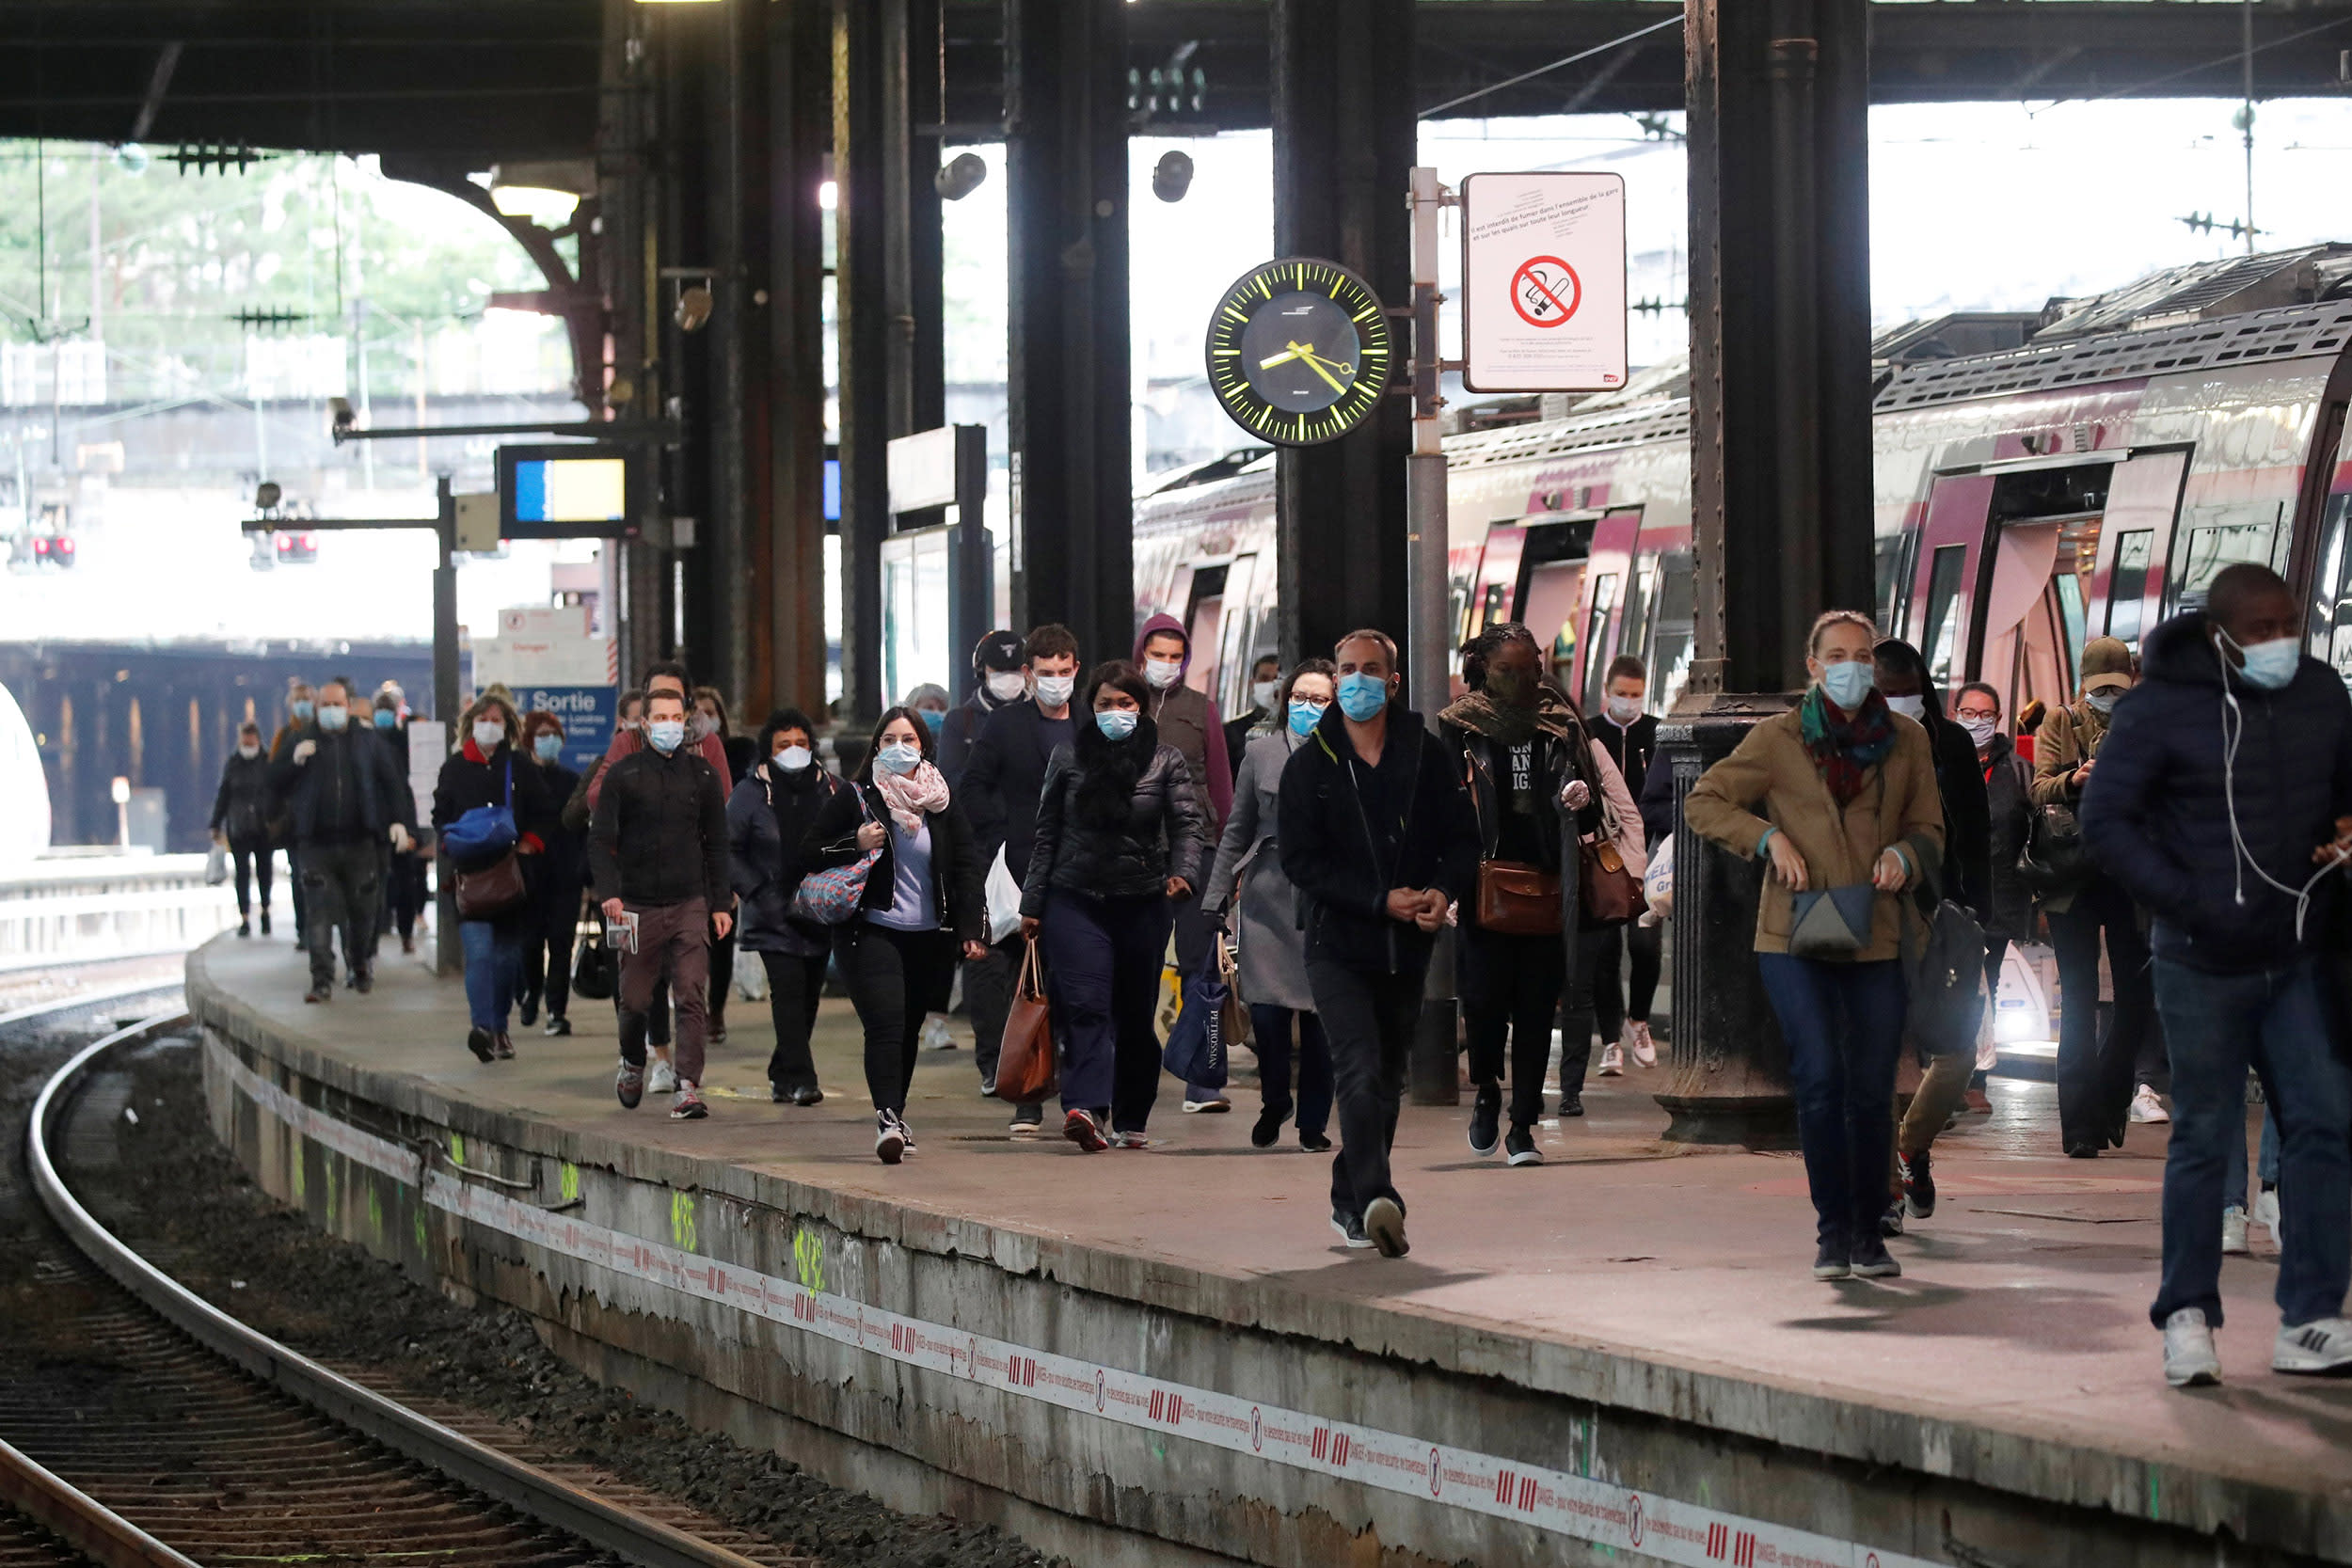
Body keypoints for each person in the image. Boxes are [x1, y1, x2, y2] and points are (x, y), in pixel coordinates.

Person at [2079, 563, 2352, 1386]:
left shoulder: (2322, 692)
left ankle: (2309, 1316)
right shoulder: (2158, 708)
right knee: (2202, 1132)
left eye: (2289, 625)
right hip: (2199, 958)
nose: (2279, 643)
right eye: (2261, 629)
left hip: (2298, 949)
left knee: (2323, 1121)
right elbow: (2106, 819)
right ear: (2219, 632)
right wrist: (2186, 900)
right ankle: (2187, 1314)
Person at [1683, 610, 1943, 1282]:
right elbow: (1705, 802)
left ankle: (1869, 1230)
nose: (1851, 665)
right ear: (1814, 665)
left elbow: (1930, 828)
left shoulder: (1907, 741)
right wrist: (1768, 839)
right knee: (1821, 1077)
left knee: (1870, 1088)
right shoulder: (1777, 738)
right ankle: (1833, 1231)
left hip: (1878, 933)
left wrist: (1906, 855)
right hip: (1793, 935)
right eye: (1837, 654)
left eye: (1862, 654)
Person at [1279, 630, 1479, 1258]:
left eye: (1370, 669)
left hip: (1407, 947)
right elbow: (1299, 860)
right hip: (1338, 944)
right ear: (1334, 679)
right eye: (1347, 669)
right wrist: (1375, 899)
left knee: (1387, 1080)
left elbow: (1463, 839)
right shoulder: (1310, 764)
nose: (1357, 679)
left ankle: (1348, 1194)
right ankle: (1375, 1197)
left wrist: (1443, 893)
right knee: (1358, 1069)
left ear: (1393, 682)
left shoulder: (1425, 754)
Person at [1019, 660, 1206, 1151]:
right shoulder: (1068, 756)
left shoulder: (1165, 760)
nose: (1115, 712)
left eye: (1125, 704)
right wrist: (1032, 903)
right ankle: (1084, 1107)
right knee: (1085, 1006)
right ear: (1091, 707)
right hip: (1074, 899)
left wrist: (1183, 873)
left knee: (1134, 1014)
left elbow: (1187, 823)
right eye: (1105, 704)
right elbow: (1047, 833)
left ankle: (1130, 1114)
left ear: (1141, 708)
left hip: (1142, 902)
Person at [1442, 626, 1613, 1162]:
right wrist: (1444, 883)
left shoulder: (1561, 725)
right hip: (1481, 885)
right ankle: (1489, 1092)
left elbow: (1592, 810)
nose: (1521, 680)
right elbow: (1442, 811)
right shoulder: (1459, 727)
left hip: (1547, 883)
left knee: (1540, 1008)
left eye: (1530, 669)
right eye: (1507, 671)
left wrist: (1579, 798)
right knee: (1486, 1004)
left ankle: (1523, 1126)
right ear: (1483, 672)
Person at [801, 707, 985, 1161]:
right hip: (869, 930)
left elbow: (966, 864)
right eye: (888, 739)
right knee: (884, 1023)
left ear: (924, 745)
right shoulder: (857, 795)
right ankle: (886, 1118)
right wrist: (854, 843)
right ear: (876, 747)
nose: (899, 746)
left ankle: (897, 1113)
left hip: (928, 935)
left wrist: (971, 930)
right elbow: (808, 851)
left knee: (908, 1028)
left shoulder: (941, 800)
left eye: (908, 738)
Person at [1873, 638, 1992, 1236]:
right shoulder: (1850, 748)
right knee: (1885, 1059)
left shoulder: (1950, 744)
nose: (1899, 702)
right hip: (1870, 922)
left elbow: (1976, 831)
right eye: (1886, 692)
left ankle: (1910, 1146)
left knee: (1957, 1053)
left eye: (1907, 691)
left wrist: (1983, 917)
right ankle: (1888, 1195)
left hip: (1941, 922)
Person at [1204, 659, 1337, 1152]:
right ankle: (1275, 1100)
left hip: (1327, 896)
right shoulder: (1259, 753)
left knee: (1323, 1015)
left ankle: (1313, 1122)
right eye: (1300, 698)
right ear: (1285, 701)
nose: (1308, 708)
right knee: (1267, 1014)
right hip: (1267, 893)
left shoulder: (1350, 753)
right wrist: (1217, 896)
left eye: (1320, 700)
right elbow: (1237, 828)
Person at [2032, 636, 2153, 1157]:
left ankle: (2110, 1097)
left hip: (2130, 876)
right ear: (2084, 683)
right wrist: (2073, 779)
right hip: (2073, 876)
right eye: (2101, 688)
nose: (2110, 696)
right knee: (2079, 1001)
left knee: (2136, 998)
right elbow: (2038, 789)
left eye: (2118, 687)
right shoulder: (2059, 721)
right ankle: (2079, 1127)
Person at [961, 624, 1083, 1136]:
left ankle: (1083, 1098)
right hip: (1021, 869)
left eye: (1064, 671)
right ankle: (1028, 1095)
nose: (1056, 682)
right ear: (1030, 674)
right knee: (1026, 986)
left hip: (1080, 873)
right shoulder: (1006, 726)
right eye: (1046, 673)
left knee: (1079, 987)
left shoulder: (1094, 726)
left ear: (1076, 669)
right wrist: (1005, 837)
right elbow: (972, 786)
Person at [590, 688, 733, 1121]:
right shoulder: (623, 775)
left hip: (689, 900)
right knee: (634, 999)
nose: (669, 724)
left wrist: (720, 902)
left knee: (690, 992)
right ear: (645, 724)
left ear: (686, 721)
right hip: (635, 904)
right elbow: (601, 841)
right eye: (660, 717)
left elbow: (717, 844)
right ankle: (633, 1060)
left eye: (677, 716)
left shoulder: (703, 777)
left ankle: (686, 1085)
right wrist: (609, 893)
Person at [1133, 613, 1232, 1113]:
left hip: (1200, 848)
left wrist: (1231, 858)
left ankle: (1203, 1080)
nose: (1166, 665)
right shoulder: (1123, 704)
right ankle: (1132, 1079)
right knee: (1139, 967)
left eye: (1176, 656)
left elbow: (1221, 782)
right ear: (1141, 654)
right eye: (1158, 655)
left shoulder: (1201, 709)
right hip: (1138, 853)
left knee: (1202, 963)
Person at [269, 678, 418, 1003]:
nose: (332, 711)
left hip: (360, 842)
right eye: (326, 705)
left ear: (348, 707)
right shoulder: (300, 738)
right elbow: (273, 783)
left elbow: (392, 782)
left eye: (337, 705)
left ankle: (360, 964)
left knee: (364, 910)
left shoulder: (368, 742)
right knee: (318, 912)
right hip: (315, 844)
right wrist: (293, 762)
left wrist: (399, 823)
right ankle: (321, 979)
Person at [729, 708, 846, 1104]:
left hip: (819, 910)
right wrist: (758, 891)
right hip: (772, 914)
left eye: (800, 743)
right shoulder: (750, 793)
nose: (793, 751)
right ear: (769, 751)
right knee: (789, 991)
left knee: (809, 996)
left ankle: (781, 1072)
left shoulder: (831, 789)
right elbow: (729, 850)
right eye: (783, 745)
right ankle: (803, 1079)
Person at [431, 696, 553, 1061]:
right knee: (480, 954)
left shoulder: (518, 766)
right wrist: (450, 841)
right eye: (483, 718)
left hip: (511, 880)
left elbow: (545, 811)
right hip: (470, 877)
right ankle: (482, 1027)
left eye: (496, 719)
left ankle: (500, 1026)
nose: (489, 724)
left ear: (507, 726)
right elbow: (441, 816)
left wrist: (532, 842)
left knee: (506, 959)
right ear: (471, 724)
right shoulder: (453, 769)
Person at [1587, 655, 1663, 1078]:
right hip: (1600, 855)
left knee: (1645, 944)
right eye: (1622, 693)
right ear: (1607, 690)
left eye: (1636, 694)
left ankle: (1639, 1020)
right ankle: (1611, 1041)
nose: (1629, 702)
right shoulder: (1590, 733)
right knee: (1604, 950)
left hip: (1646, 853)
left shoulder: (1656, 733)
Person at [517, 712, 587, 1037]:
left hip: (565, 875)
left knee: (561, 943)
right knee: (530, 943)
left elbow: (584, 831)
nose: (549, 740)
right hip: (529, 876)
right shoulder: (520, 780)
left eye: (554, 734)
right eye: (542, 735)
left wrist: (587, 873)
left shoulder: (572, 781)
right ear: (529, 740)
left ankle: (557, 1010)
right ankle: (532, 990)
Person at [372, 690, 429, 957]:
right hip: (375, 826)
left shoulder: (403, 742)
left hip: (401, 822)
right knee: (375, 885)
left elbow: (409, 791)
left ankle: (405, 932)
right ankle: (376, 932)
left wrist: (413, 830)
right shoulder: (367, 743)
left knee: (406, 881)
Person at [941, 630, 1028, 788]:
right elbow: (950, 781)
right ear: (981, 670)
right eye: (999, 670)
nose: (1008, 676)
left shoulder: (1039, 713)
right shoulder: (960, 721)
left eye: (1015, 669)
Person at [212, 721, 275, 937]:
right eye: (244, 740)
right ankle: (245, 917)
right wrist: (216, 823)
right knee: (242, 873)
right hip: (238, 827)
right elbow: (224, 794)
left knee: (265, 870)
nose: (247, 744)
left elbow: (275, 793)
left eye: (250, 740)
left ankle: (265, 910)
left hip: (263, 826)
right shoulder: (233, 763)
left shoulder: (267, 762)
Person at [269, 679, 317, 951]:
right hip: (296, 822)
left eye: (306, 699)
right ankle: (304, 930)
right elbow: (273, 777)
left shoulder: (322, 733)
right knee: (300, 876)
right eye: (298, 700)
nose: (303, 706)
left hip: (320, 819)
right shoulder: (286, 737)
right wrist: (295, 763)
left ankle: (316, 928)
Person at [1225, 654, 1283, 782]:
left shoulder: (1298, 729)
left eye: (1277, 679)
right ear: (1252, 683)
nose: (1271, 685)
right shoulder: (1231, 731)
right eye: (1264, 679)